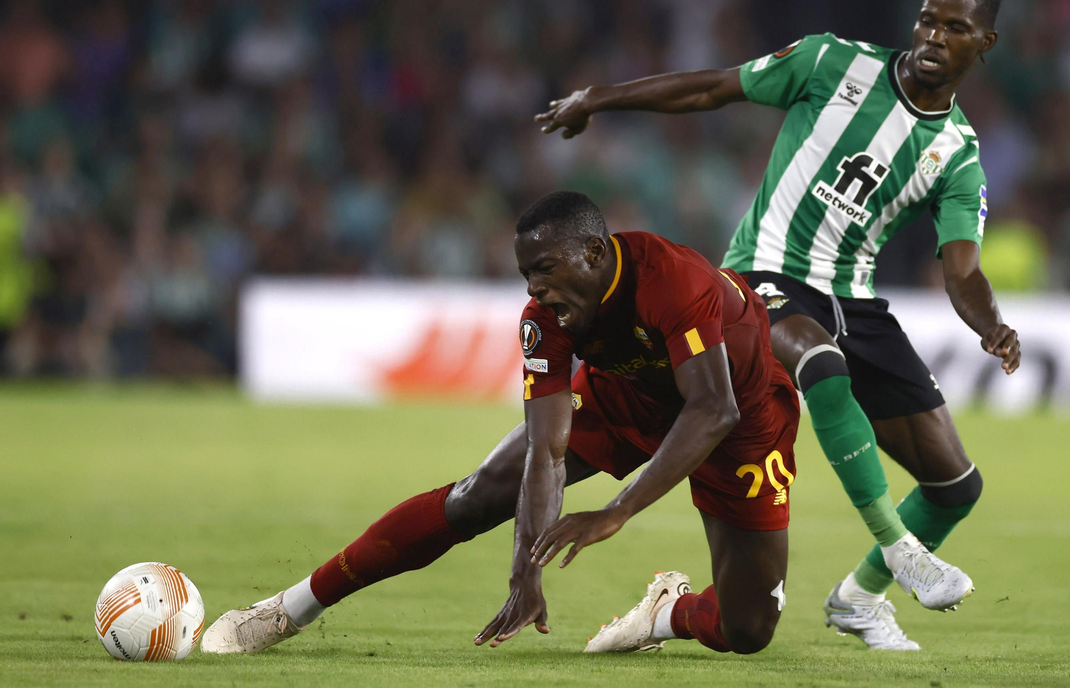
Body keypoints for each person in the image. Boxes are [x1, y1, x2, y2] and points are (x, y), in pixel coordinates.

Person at [536, 0, 1021, 650]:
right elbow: (711, 88)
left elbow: (962, 267)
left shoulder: (956, 152)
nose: (934, 36)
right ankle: (900, 547)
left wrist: (992, 325)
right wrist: (599, 98)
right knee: (819, 359)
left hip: (852, 294)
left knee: (955, 485)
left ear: (986, 42)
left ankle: (860, 598)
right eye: (927, 19)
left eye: (955, 27)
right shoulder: (833, 61)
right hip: (762, 273)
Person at [202, 190, 801, 655]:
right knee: (477, 494)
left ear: (593, 252)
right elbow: (546, 452)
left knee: (748, 629)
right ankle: (288, 609)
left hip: (738, 414)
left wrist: (616, 511)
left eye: (545, 269)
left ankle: (667, 611)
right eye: (526, 276)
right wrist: (525, 574)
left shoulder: (672, 278)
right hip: (625, 399)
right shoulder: (545, 318)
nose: (536, 289)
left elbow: (712, 408)